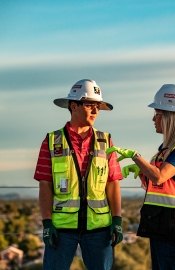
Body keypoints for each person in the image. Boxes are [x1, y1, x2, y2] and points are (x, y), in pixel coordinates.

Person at [34, 79, 123, 270]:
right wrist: (47, 223)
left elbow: (113, 183)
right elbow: (45, 184)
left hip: (99, 230)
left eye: (98, 106)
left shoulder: (106, 141)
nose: (96, 111)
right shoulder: (51, 141)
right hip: (61, 229)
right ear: (73, 105)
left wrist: (117, 220)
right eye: (90, 105)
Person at [107, 84, 175, 270]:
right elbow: (159, 185)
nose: (153, 119)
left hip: (174, 228)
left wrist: (136, 156)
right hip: (161, 226)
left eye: (156, 114)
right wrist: (141, 172)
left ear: (169, 116)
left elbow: (160, 177)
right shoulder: (165, 151)